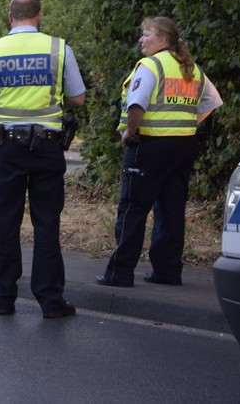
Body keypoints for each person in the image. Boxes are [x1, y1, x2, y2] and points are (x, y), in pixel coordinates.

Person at [0, 0, 86, 319]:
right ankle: (50, 301)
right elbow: (77, 97)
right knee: (46, 223)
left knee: (5, 222)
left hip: (7, 148)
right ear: (39, 16)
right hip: (48, 148)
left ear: (10, 16)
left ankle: (3, 298)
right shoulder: (59, 49)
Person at [96, 16, 222, 287]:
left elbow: (136, 106)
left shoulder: (150, 65)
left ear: (162, 40)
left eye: (146, 34)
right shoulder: (192, 68)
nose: (142, 39)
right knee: (171, 209)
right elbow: (212, 101)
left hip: (150, 145)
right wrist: (186, 122)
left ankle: (119, 273)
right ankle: (167, 272)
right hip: (183, 145)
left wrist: (130, 132)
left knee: (133, 207)